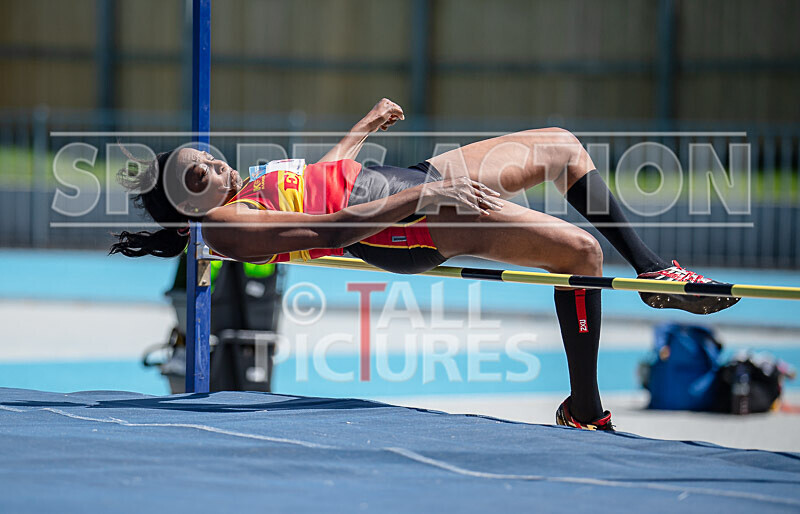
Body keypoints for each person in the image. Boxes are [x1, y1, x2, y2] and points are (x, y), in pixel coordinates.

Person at [111, 98, 739, 431]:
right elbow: (333, 226)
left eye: (210, 158)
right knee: (580, 252)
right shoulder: (224, 226)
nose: (217, 168)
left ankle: (654, 272)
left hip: (407, 185)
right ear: (184, 207)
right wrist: (423, 199)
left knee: (562, 146)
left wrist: (363, 127)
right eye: (200, 175)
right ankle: (586, 405)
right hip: (405, 223)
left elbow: (323, 180)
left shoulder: (244, 191)